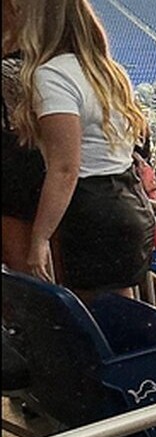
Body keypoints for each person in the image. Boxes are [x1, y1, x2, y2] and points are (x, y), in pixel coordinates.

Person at [13, 0, 155, 302]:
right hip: (129, 203)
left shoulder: (52, 75)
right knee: (120, 312)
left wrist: (39, 238)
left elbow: (65, 168)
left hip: (92, 212)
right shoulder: (108, 71)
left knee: (90, 318)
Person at [2, 0, 46, 273]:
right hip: (33, 170)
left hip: (19, 174)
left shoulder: (13, 68)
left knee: (26, 273)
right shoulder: (45, 57)